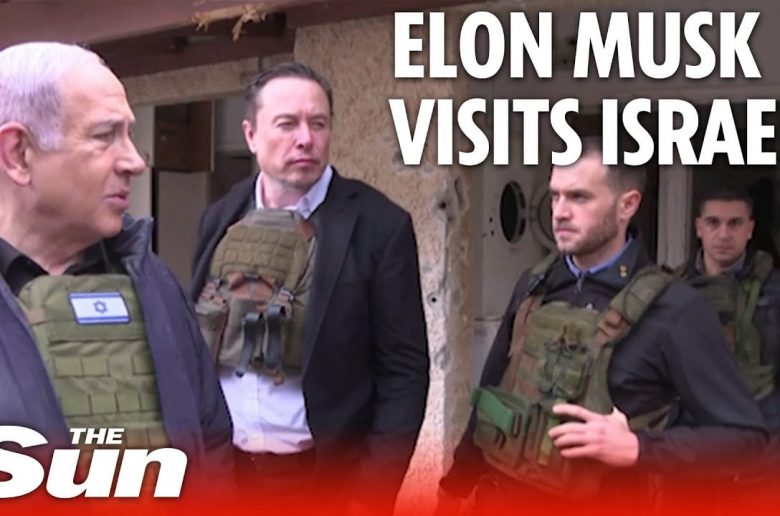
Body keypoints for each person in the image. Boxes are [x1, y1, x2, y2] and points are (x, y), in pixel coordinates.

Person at [436, 140, 768, 515]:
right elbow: (492, 395)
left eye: (579, 197)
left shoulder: (675, 308)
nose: (560, 212)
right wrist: (453, 490)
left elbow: (746, 440)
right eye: (555, 195)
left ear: (627, 205)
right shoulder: (535, 283)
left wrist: (640, 448)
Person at [190, 61, 429, 514]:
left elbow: (404, 372)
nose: (306, 138)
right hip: (225, 478)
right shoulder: (220, 217)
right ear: (251, 135)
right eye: (287, 124)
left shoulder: (379, 225)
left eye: (318, 123)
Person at [0, 42, 233, 500]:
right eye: (105, 136)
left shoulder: (154, 283)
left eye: (128, 134)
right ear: (19, 155)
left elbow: (213, 443)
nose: (135, 161)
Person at [677, 188, 780, 510]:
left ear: (750, 229)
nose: (723, 234)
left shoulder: (774, 289)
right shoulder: (671, 289)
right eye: (713, 223)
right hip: (690, 449)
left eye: (734, 223)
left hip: (762, 451)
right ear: (698, 227)